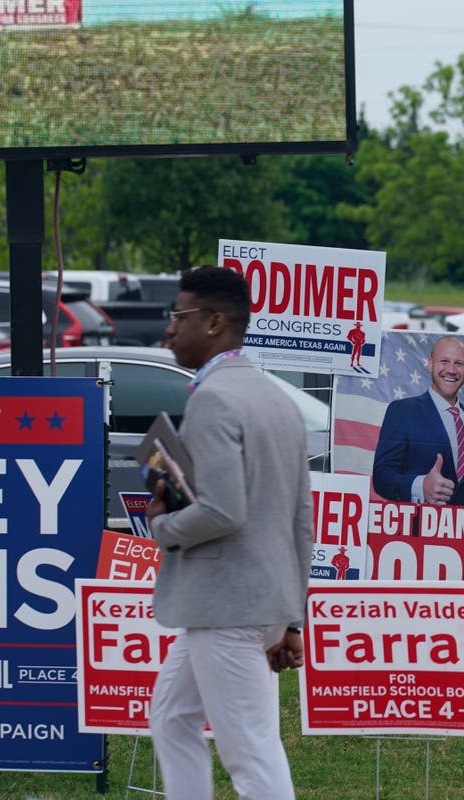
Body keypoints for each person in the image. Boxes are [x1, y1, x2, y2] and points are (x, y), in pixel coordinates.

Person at [146, 266, 312, 800]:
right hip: (250, 607)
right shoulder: (278, 399)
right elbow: (299, 521)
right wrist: (292, 620)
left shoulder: (214, 398)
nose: (170, 329)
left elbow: (222, 511)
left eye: (178, 317)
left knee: (252, 753)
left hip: (227, 608)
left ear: (214, 322)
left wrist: (162, 525)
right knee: (171, 718)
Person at [372, 335, 464, 515]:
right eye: (444, 361)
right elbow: (382, 477)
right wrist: (420, 486)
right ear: (430, 363)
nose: (451, 370)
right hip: (420, 532)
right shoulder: (402, 411)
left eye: (459, 363)